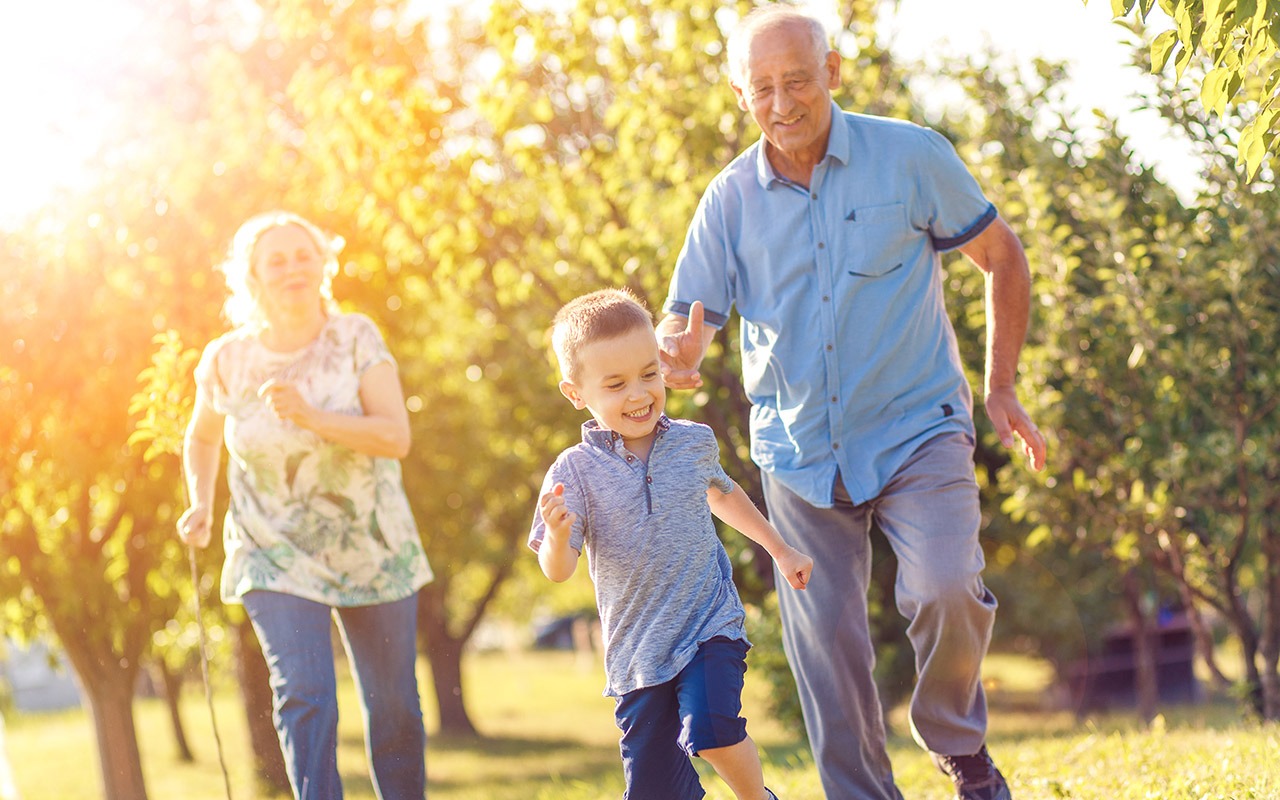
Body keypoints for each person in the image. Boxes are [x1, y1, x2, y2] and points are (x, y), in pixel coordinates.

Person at [657, 7, 1047, 800]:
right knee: (827, 649)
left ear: (832, 72)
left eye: (797, 80)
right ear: (740, 94)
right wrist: (677, 351)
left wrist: (1001, 385)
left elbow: (1002, 255)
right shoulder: (728, 201)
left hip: (918, 427)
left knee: (944, 586)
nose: (781, 103)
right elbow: (680, 318)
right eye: (762, 88)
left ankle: (957, 744)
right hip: (798, 451)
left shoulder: (909, 156)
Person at [177, 211, 433, 800]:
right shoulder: (226, 359)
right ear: (252, 277)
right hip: (272, 548)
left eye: (303, 255)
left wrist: (313, 417)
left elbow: (395, 436)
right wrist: (201, 501)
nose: (292, 268)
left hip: (372, 543)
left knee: (394, 705)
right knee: (305, 693)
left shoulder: (355, 337)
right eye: (277, 260)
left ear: (323, 264)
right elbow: (203, 436)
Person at [530, 288, 814, 800]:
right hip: (637, 656)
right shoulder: (574, 472)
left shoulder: (692, 441)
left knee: (711, 728)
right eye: (616, 384)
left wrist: (781, 549)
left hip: (707, 625)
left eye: (648, 374)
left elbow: (723, 495)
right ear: (575, 393)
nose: (639, 394)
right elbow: (557, 569)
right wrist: (557, 535)